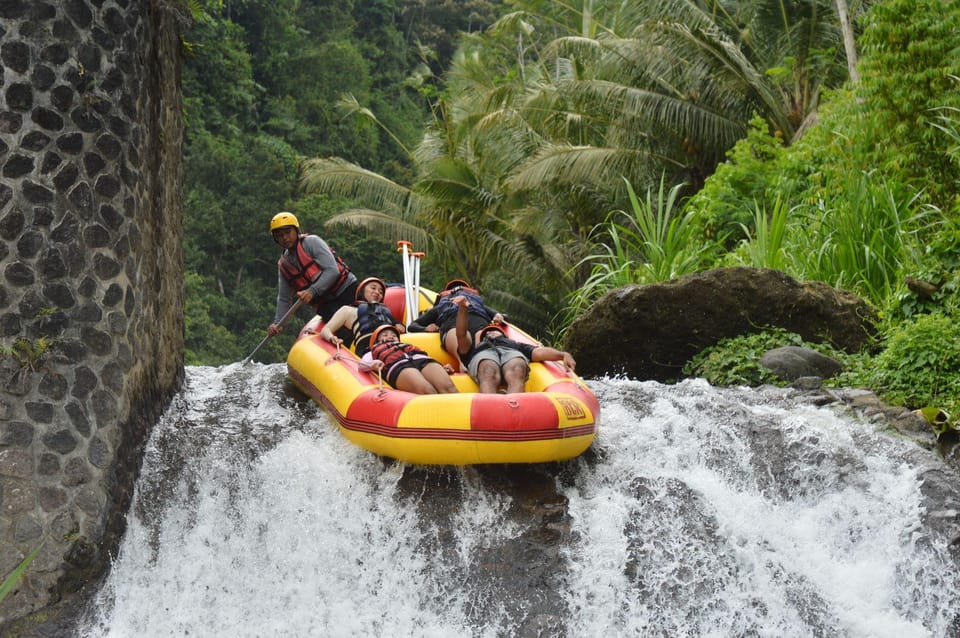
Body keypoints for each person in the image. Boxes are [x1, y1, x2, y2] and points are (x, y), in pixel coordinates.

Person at [453, 297, 575, 394]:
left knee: (517, 368)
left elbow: (540, 352)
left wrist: (563, 354)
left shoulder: (514, 345)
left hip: (510, 354)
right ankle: (491, 410)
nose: (491, 332)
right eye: (487, 331)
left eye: (495, 330)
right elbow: (461, 334)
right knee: (488, 371)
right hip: (485, 355)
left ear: (504, 335)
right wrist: (463, 308)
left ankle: (513, 406)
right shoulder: (474, 348)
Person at [266, 212, 358, 336]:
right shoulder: (284, 265)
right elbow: (284, 298)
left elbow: (332, 270)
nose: (285, 238)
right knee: (344, 332)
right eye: (279, 235)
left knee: (363, 319)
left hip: (346, 289)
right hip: (326, 304)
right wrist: (278, 323)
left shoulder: (311, 242)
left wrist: (312, 291)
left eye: (288, 232)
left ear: (296, 230)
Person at [406, 279, 504, 366]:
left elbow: (502, 317)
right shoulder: (439, 308)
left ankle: (479, 360)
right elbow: (412, 326)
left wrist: (499, 317)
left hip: (476, 319)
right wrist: (426, 329)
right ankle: (464, 361)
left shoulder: (478, 305)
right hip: (453, 320)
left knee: (479, 334)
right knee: (457, 334)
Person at [359, 325, 459, 395]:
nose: (390, 336)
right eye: (385, 335)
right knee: (427, 391)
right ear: (376, 341)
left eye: (394, 335)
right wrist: (373, 364)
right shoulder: (373, 351)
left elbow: (424, 355)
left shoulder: (407, 346)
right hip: (399, 365)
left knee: (449, 388)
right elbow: (362, 365)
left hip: (422, 361)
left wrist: (442, 367)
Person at [318, 277, 405, 355]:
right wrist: (332, 338)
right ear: (362, 290)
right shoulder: (348, 310)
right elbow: (326, 330)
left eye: (381, 292)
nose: (377, 292)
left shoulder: (386, 314)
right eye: (373, 288)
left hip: (394, 345)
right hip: (368, 348)